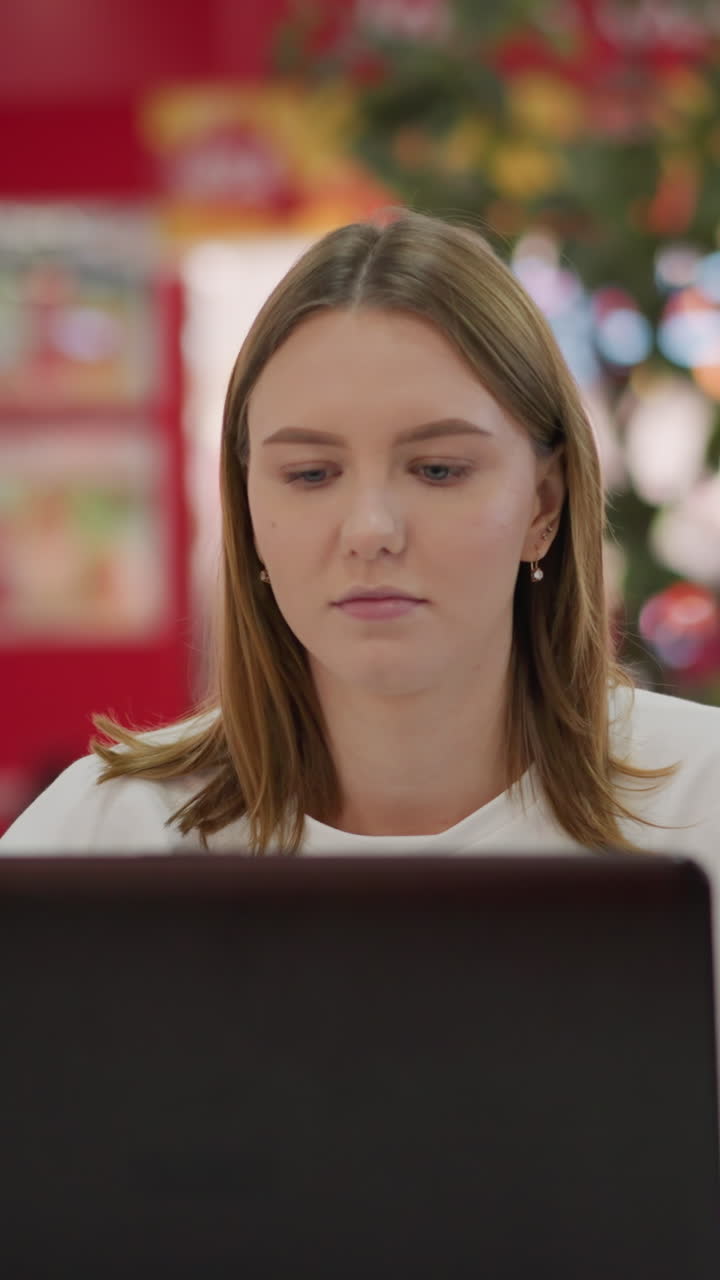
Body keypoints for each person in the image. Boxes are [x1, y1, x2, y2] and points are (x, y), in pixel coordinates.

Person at [2, 210, 719, 891]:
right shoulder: (106, 841)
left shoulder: (700, 799)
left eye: (438, 469)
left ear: (544, 504)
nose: (370, 529)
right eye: (310, 475)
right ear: (248, 509)